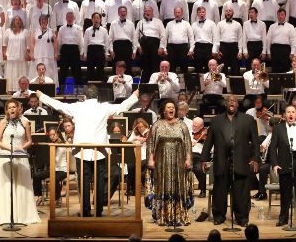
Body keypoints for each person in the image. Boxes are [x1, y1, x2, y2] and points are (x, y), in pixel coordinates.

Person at [37, 87, 139, 217]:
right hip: (99, 151)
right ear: (98, 97)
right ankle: (98, 211)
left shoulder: (77, 107)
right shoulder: (104, 107)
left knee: (84, 182)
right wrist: (135, 95)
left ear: (85, 96)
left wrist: (42, 96)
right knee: (99, 181)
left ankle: (85, 211)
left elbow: (58, 105)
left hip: (82, 151)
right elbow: (122, 106)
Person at [200, 95, 260, 226]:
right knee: (220, 191)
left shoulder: (248, 120)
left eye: (234, 101)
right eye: (229, 101)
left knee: (241, 192)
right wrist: (204, 158)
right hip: (222, 161)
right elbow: (209, 141)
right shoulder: (216, 120)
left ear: (237, 104)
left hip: (241, 161)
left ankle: (242, 217)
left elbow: (255, 142)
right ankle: (219, 216)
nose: (231, 102)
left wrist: (256, 158)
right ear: (225, 104)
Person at [0, 99, 40, 225]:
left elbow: (29, 141)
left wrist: (20, 148)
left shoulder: (25, 122)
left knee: (21, 184)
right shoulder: (3, 122)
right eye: (9, 107)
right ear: (7, 110)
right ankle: (6, 215)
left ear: (18, 109)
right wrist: (10, 148)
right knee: (7, 184)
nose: (12, 109)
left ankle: (22, 215)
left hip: (20, 155)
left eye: (14, 107)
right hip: (6, 156)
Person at [146, 99, 193, 227]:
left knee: (178, 186)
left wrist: (188, 159)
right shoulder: (157, 125)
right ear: (163, 110)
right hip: (162, 161)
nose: (171, 109)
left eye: (173, 107)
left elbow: (188, 143)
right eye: (168, 107)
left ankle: (178, 215)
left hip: (179, 160)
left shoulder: (182, 125)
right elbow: (151, 144)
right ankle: (163, 215)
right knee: (162, 185)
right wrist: (151, 159)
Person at [269, 104, 296, 228]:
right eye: (288, 112)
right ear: (285, 115)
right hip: (284, 163)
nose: (291, 114)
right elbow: (273, 148)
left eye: (293, 112)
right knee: (285, 194)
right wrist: (275, 164)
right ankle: (283, 219)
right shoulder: (278, 128)